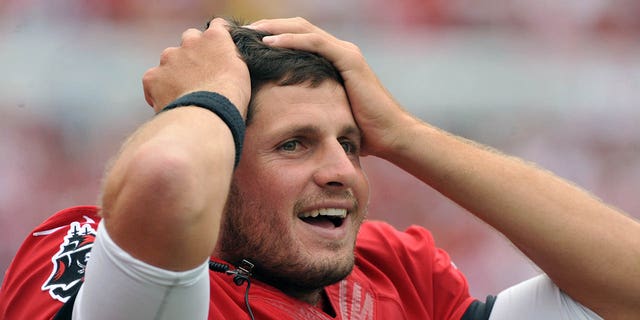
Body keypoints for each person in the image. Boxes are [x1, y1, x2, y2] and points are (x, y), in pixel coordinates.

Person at [1, 17, 639, 320]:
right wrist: (212, 95)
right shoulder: (114, 265)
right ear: (220, 163)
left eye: (351, 143)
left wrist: (405, 135)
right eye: (294, 145)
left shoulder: (396, 276)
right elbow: (168, 178)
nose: (344, 172)